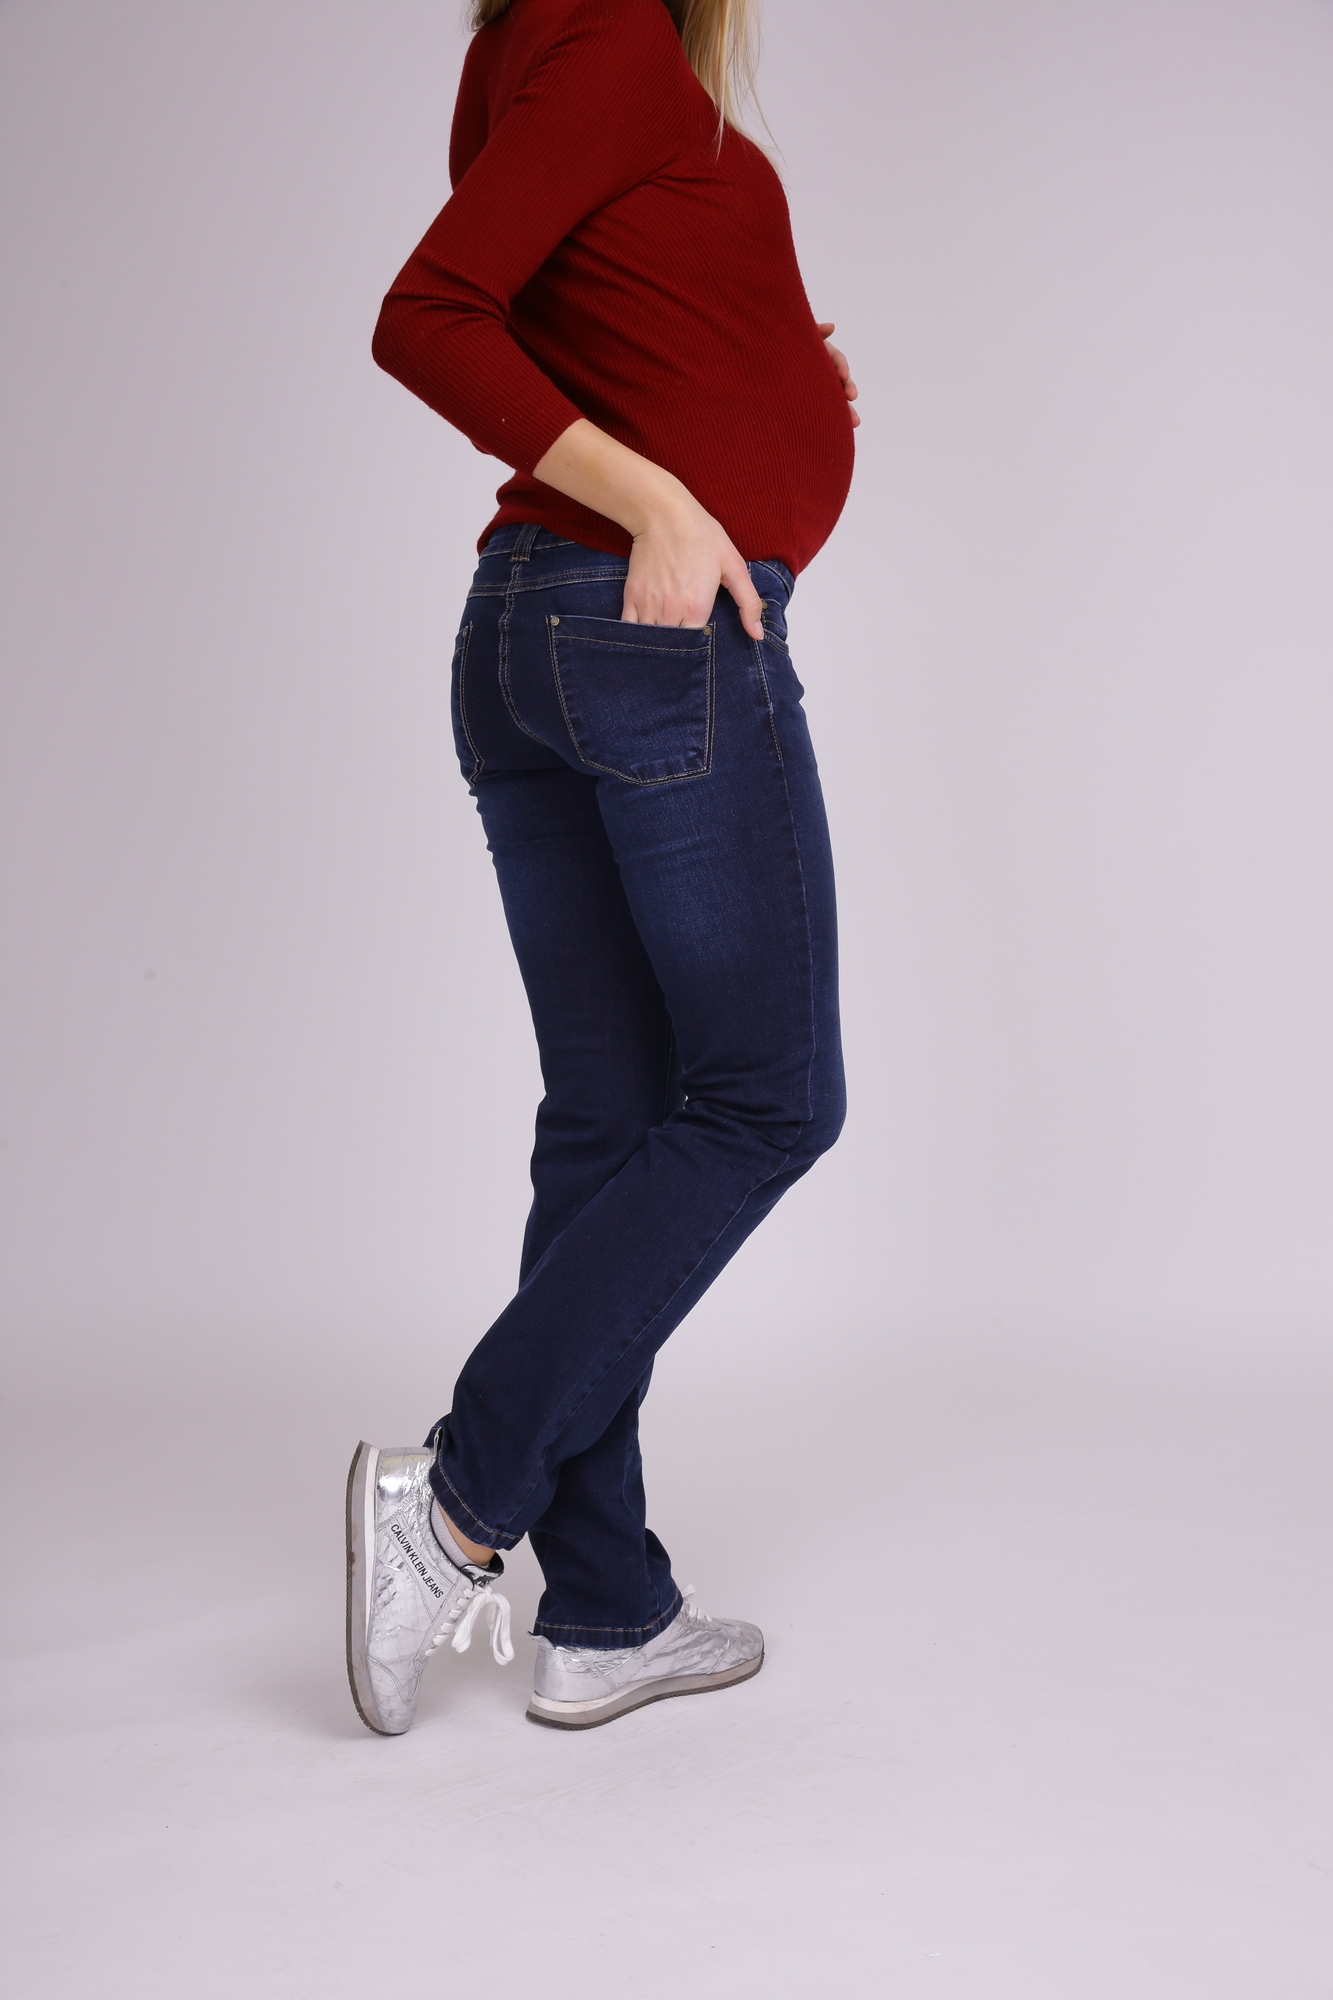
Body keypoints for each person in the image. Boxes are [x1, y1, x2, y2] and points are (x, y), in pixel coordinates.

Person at [346, 0, 858, 1735]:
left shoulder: (540, 52)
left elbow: (580, 312)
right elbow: (429, 317)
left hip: (532, 634)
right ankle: (458, 1501)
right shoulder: (616, 35)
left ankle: (607, 1610)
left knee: (611, 1118)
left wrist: (774, 374)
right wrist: (660, 496)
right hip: (639, 630)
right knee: (770, 1099)